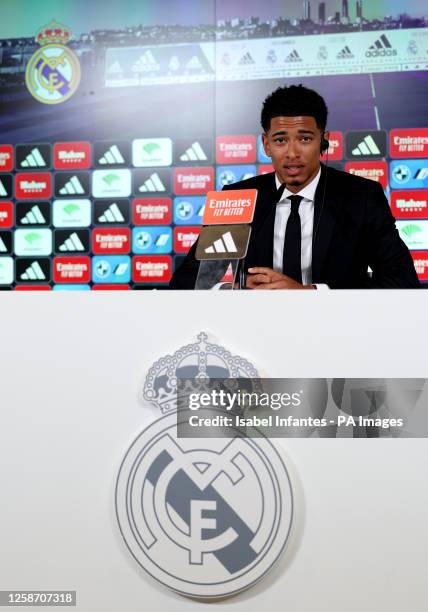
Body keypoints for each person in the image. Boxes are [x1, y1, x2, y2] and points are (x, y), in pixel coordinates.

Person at [170, 84, 420, 289]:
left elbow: (402, 280)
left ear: (324, 141)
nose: (292, 153)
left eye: (304, 139)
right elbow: (185, 283)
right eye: (280, 140)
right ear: (266, 144)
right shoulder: (237, 198)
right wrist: (233, 291)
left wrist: (310, 293)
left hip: (336, 334)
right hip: (255, 335)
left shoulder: (361, 197)